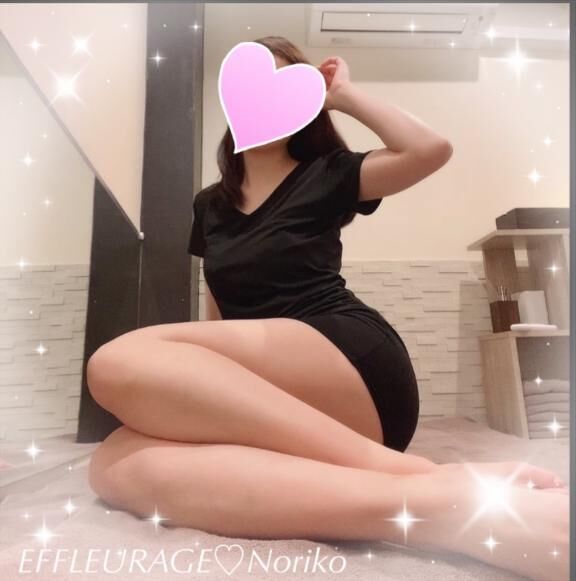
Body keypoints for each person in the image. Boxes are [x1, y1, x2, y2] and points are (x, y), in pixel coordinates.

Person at [86, 36, 569, 581]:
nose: (263, 99)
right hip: (274, 391)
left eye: (282, 86)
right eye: (253, 86)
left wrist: (343, 95)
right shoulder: (210, 205)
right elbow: (217, 310)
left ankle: (412, 472)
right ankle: (434, 512)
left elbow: (429, 150)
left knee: (114, 362)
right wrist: (198, 394)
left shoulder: (328, 173)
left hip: (346, 357)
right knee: (116, 463)